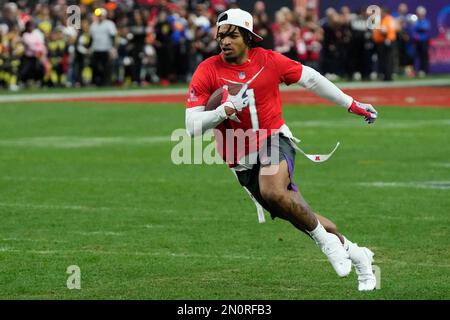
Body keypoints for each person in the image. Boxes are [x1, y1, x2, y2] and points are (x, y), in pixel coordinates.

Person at [185, 8, 378, 291]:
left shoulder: (269, 61)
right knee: (299, 213)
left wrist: (351, 103)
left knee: (273, 190)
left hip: (273, 139)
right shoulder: (207, 70)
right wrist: (222, 111)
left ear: (249, 38)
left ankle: (327, 245)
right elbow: (191, 126)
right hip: (241, 161)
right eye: (221, 35)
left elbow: (311, 78)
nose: (225, 41)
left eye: (233, 34)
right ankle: (357, 253)